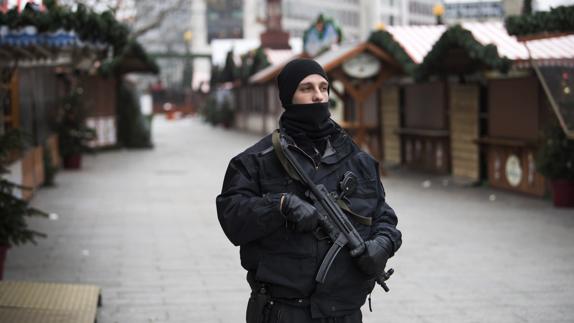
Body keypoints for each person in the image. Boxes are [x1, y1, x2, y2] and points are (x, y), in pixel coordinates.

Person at [216, 58, 402, 323]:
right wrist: (279, 205)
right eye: (306, 89)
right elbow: (232, 215)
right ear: (288, 97)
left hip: (345, 313)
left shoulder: (355, 158)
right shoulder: (256, 160)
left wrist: (382, 244)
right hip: (283, 310)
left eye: (323, 88)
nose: (318, 96)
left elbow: (383, 215)